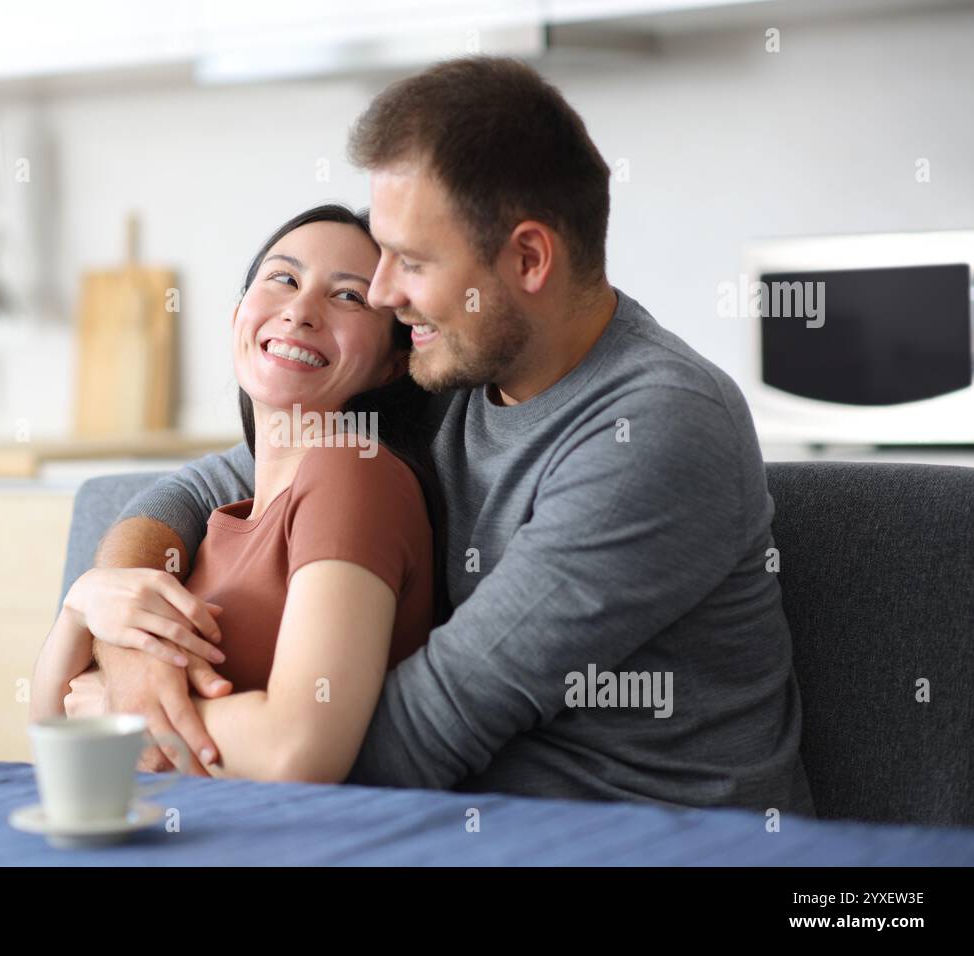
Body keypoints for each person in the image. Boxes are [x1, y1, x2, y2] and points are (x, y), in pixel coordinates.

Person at [64, 56, 816, 816]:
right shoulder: (448, 366)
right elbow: (212, 484)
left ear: (528, 258)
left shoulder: (655, 428)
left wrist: (127, 722)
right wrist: (130, 635)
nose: (386, 293)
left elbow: (415, 736)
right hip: (466, 820)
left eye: (412, 262)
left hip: (650, 837)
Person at [32, 204, 448, 783]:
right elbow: (54, 727)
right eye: (284, 278)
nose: (301, 311)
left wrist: (122, 715)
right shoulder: (221, 518)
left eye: (349, 297)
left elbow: (298, 752)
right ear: (238, 318)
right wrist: (83, 600)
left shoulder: (354, 469)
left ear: (392, 364)